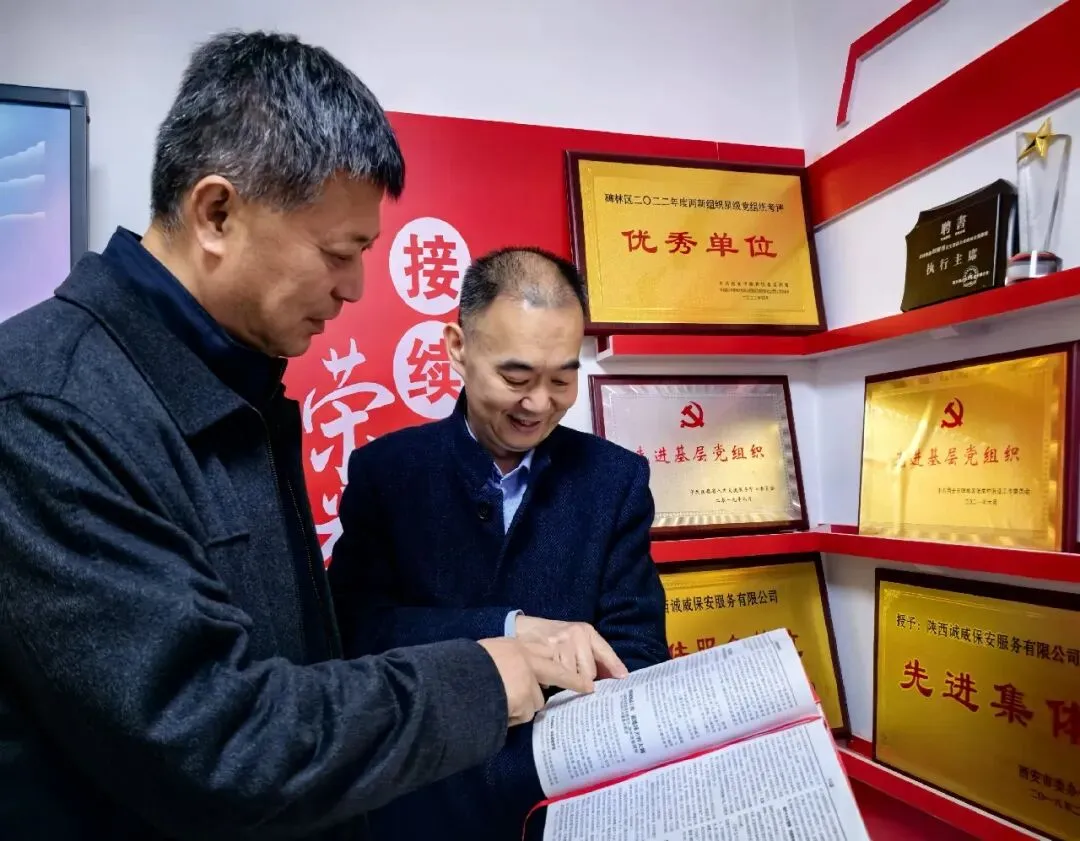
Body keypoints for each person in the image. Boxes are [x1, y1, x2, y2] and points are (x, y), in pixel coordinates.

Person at [0, 32, 600, 841]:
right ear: (217, 213)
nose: (354, 287)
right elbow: (216, 738)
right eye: (337, 252)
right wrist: (487, 674)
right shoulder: (47, 405)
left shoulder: (232, 384)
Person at [328, 246, 670, 841]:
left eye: (562, 378)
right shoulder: (387, 472)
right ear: (457, 348)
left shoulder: (614, 480)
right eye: (516, 378)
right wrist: (508, 630)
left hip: (562, 805)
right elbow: (356, 630)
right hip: (417, 804)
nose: (538, 404)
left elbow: (637, 651)